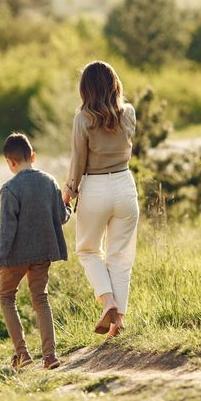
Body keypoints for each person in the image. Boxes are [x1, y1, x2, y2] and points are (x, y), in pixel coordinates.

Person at [62, 60, 138, 340]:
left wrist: (69, 191)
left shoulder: (83, 118)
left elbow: (78, 161)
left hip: (95, 186)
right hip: (124, 183)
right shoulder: (128, 113)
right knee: (121, 255)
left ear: (86, 89)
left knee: (88, 250)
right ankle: (118, 322)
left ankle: (109, 304)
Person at [0, 133, 71, 370]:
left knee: (7, 297)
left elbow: (7, 229)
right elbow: (61, 217)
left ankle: (23, 354)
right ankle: (50, 357)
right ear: (33, 156)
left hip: (15, 256)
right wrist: (68, 207)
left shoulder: (10, 189)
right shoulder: (49, 181)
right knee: (41, 299)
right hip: (42, 253)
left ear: (10, 162)